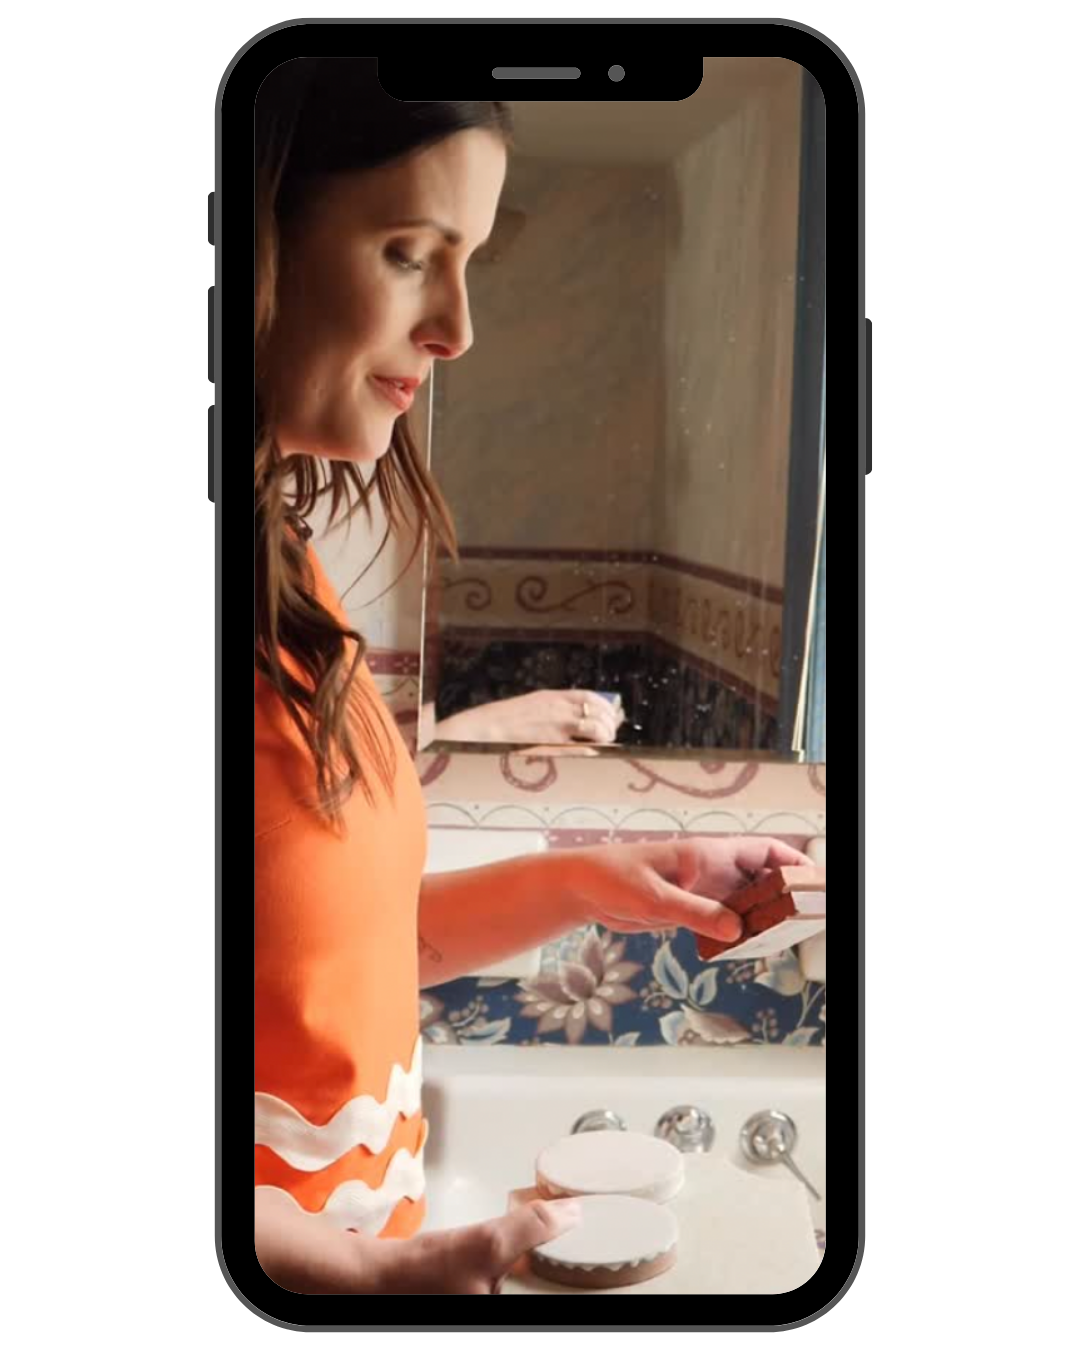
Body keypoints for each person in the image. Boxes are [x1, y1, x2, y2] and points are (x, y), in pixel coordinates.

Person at [254, 59, 812, 1295]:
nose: (458, 328)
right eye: (410, 250)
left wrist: (595, 882)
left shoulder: (286, 577)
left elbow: (343, 962)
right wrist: (355, 1279)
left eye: (469, 264)